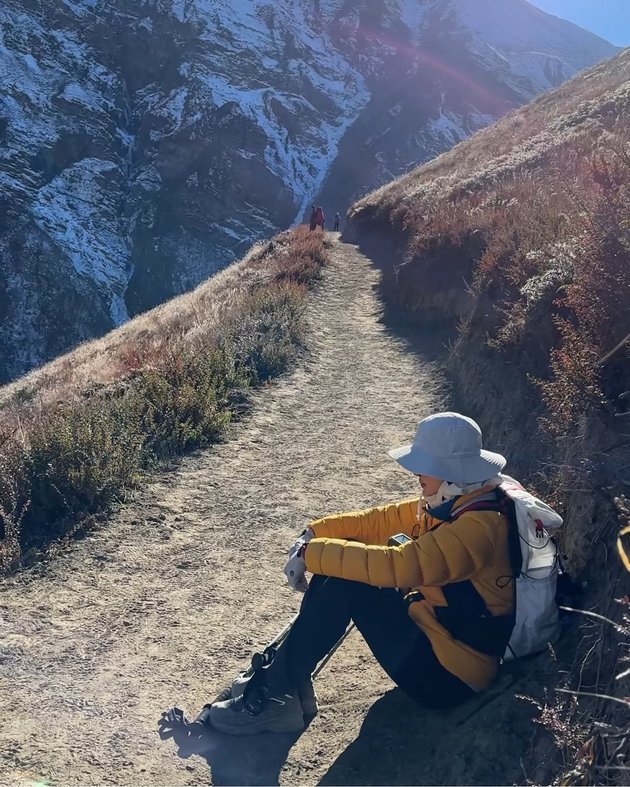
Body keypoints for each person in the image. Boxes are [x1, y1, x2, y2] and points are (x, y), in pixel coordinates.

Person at [209, 412, 515, 735]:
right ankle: (287, 686)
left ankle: (274, 696)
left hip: (452, 679)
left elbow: (398, 565)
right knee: (343, 567)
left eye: (424, 466)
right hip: (439, 638)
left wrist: (310, 555)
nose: (415, 473)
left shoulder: (479, 528)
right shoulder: (456, 503)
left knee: (350, 581)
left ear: (450, 473)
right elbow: (377, 523)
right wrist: (312, 534)